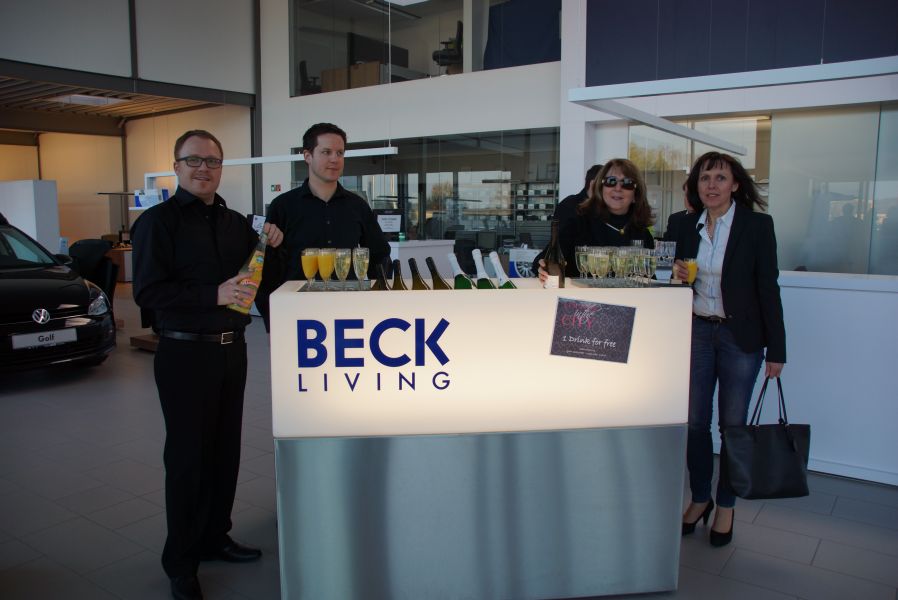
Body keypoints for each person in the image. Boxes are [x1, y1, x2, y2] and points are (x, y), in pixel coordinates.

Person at [131, 130, 284, 600]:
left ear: (221, 167)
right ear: (176, 166)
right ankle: (181, 563)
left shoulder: (236, 223)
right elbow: (147, 292)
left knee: (224, 452)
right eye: (193, 160)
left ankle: (216, 536)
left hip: (231, 349)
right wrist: (210, 294)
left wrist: (273, 242)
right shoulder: (157, 223)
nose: (203, 168)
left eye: (212, 161)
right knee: (187, 460)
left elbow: (257, 274)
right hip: (184, 353)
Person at [673, 151, 786, 548]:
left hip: (741, 337)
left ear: (735, 184)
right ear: (696, 185)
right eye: (705, 178)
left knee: (732, 427)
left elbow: (768, 287)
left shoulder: (756, 225)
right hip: (697, 331)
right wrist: (675, 277)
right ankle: (700, 497)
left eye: (720, 178)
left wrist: (777, 349)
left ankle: (726, 504)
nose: (712, 185)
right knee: (694, 422)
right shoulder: (682, 224)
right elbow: (667, 277)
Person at [259, 123, 390, 322]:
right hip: (296, 312)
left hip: (348, 311)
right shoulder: (282, 206)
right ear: (307, 156)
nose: (335, 159)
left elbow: (379, 255)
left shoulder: (358, 206)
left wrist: (378, 302)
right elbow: (267, 267)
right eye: (326, 152)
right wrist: (272, 321)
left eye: (340, 153)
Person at [552, 159, 655, 277]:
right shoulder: (578, 224)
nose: (618, 188)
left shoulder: (642, 234)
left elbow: (649, 278)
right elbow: (547, 261)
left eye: (627, 183)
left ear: (636, 194)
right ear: (600, 189)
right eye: (611, 181)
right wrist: (548, 268)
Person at [531, 163, 602, 273]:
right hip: (571, 277)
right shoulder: (570, 207)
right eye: (607, 184)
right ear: (593, 184)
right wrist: (546, 266)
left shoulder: (605, 208)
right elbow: (559, 245)